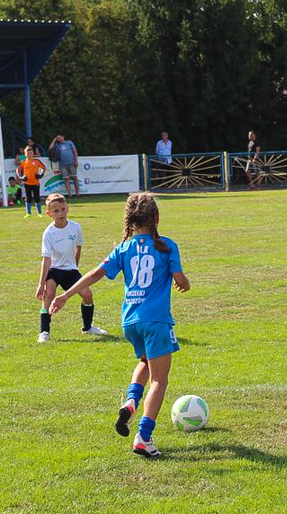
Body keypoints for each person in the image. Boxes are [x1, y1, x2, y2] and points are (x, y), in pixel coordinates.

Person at [50, 193, 190, 458]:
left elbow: (94, 274)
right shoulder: (167, 246)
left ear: (130, 222)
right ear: (157, 218)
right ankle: (143, 437)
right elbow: (180, 279)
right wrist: (185, 283)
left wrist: (66, 294)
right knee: (160, 380)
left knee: (146, 362)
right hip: (156, 320)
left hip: (130, 321)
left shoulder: (124, 248)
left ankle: (131, 401)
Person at [36, 193, 106, 343]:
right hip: (54, 270)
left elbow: (78, 247)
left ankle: (87, 328)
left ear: (67, 208)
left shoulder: (75, 227)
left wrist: (75, 266)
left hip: (70, 270)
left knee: (87, 294)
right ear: (49, 214)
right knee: (49, 295)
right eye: (56, 211)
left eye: (63, 209)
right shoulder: (48, 233)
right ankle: (44, 331)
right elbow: (46, 259)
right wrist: (41, 283)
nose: (60, 213)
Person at [17, 146, 46, 218]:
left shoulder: (36, 161)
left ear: (33, 153)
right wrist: (20, 177)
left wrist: (41, 175)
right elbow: (18, 170)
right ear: (25, 154)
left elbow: (44, 168)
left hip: (35, 183)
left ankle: (39, 213)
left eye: (30, 153)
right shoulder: (23, 162)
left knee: (37, 198)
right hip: (27, 183)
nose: (29, 154)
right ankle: (28, 213)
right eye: (28, 153)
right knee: (28, 198)